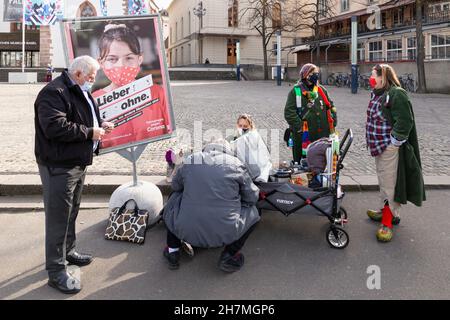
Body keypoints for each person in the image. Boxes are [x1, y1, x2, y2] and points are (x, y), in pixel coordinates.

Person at [34, 56, 114, 294]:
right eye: (90, 77)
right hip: (58, 165)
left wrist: (101, 123)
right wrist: (91, 132)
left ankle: (68, 251)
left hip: (76, 162)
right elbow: (55, 127)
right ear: (78, 73)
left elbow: (82, 115)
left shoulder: (77, 88)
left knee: (71, 211)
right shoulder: (53, 92)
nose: (92, 81)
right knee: (58, 218)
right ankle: (56, 271)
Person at [162, 140, 260, 272]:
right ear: (228, 151)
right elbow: (252, 197)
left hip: (186, 227)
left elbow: (175, 186)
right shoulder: (236, 164)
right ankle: (229, 255)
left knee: (174, 198)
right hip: (225, 231)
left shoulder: (191, 160)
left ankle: (172, 250)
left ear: (206, 149)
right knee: (254, 212)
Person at [365, 64, 425, 242]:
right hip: (379, 147)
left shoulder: (397, 93)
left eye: (374, 75)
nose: (371, 78)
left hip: (388, 147)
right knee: (384, 181)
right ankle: (387, 211)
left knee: (390, 184)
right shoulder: (378, 93)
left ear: (383, 76)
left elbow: (405, 121)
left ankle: (387, 222)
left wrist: (394, 142)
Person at [92, 23, 171, 148]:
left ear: (139, 59)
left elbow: (169, 134)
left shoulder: (157, 93)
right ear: (101, 63)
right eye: (112, 59)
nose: (121, 65)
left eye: (129, 58)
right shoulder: (93, 101)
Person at [284, 63, 337, 164]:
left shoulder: (321, 90)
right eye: (313, 73)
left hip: (322, 134)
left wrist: (333, 123)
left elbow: (330, 106)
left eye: (317, 73)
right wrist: (299, 125)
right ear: (305, 74)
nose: (316, 75)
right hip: (303, 136)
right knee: (303, 163)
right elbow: (289, 112)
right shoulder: (296, 91)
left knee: (321, 162)